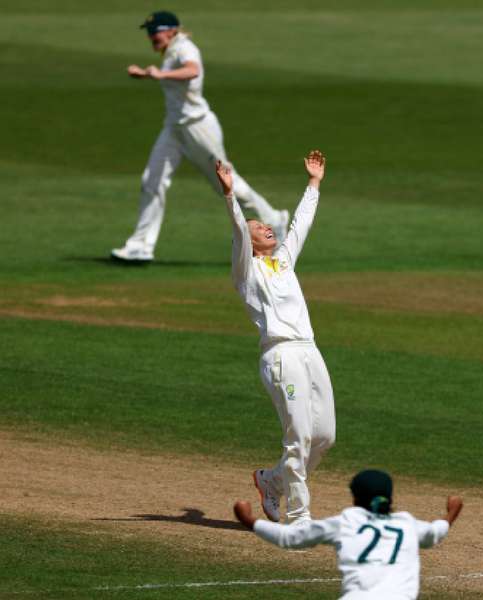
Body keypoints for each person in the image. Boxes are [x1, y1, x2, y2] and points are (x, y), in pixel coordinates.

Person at [216, 150, 335, 525]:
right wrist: (230, 196)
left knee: (325, 437)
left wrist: (313, 183)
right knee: (298, 435)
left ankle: (271, 482)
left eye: (266, 225)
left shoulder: (283, 260)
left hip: (310, 351)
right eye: (258, 227)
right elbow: (238, 231)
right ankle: (299, 516)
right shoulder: (245, 272)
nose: (265, 227)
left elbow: (300, 224)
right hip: (279, 355)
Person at [111, 10, 288, 263]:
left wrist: (159, 75)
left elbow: (192, 71)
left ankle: (273, 219)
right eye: (149, 33)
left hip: (198, 128)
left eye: (156, 31)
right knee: (152, 180)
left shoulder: (185, 48)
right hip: (174, 128)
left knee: (227, 184)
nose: (151, 37)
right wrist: (149, 74)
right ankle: (140, 246)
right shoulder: (171, 51)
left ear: (171, 30)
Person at [234, 469, 464, 600]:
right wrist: (452, 511)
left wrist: (250, 521)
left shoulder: (346, 522)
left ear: (355, 498)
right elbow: (437, 532)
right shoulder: (407, 524)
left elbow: (290, 538)